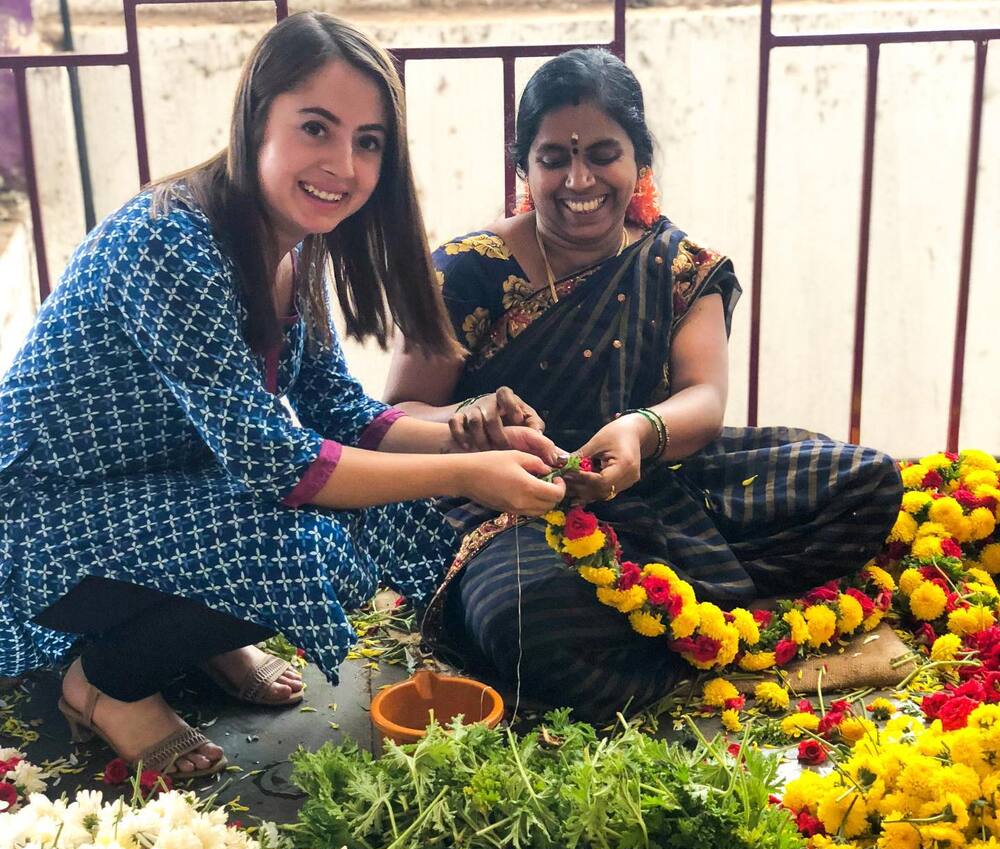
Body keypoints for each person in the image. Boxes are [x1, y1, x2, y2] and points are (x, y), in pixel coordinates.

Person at [0, 13, 565, 777]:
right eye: (316, 128)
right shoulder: (170, 239)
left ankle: (205, 640)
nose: (344, 164)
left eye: (368, 141)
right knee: (313, 544)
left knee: (375, 513)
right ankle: (104, 686)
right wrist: (465, 473)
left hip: (148, 496)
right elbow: (278, 465)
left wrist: (473, 434)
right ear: (255, 118)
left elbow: (341, 411)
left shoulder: (297, 250)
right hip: (40, 515)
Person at [386, 48, 903, 721]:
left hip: (654, 482)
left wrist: (640, 429)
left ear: (639, 161)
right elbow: (398, 414)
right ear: (524, 168)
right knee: (523, 620)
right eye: (553, 159)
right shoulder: (466, 269)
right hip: (506, 503)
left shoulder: (680, 266)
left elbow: (703, 399)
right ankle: (688, 624)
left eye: (603, 153)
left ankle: (659, 615)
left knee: (867, 485)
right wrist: (470, 414)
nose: (579, 179)